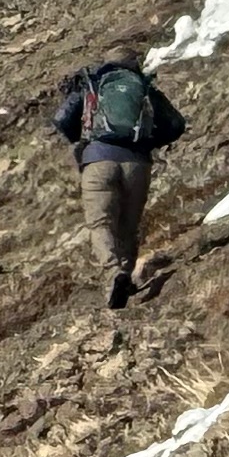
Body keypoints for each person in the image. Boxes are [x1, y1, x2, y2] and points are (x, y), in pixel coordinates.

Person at [48, 52, 186, 308]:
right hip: (137, 164)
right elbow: (177, 124)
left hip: (99, 160)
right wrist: (148, 143)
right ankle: (127, 277)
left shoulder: (95, 83)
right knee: (128, 226)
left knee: (101, 223)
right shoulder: (143, 86)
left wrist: (85, 142)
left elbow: (61, 119)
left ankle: (114, 275)